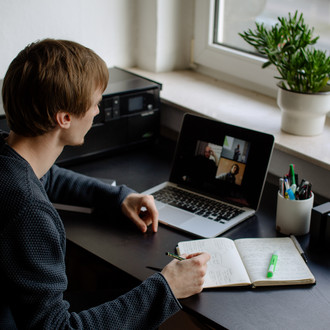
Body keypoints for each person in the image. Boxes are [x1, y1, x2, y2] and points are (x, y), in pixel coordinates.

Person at [0, 39, 210, 329]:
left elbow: (45, 176)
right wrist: (168, 287)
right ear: (65, 118)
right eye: (96, 103)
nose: (98, 112)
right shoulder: (29, 212)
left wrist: (116, 197)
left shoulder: (8, 158)